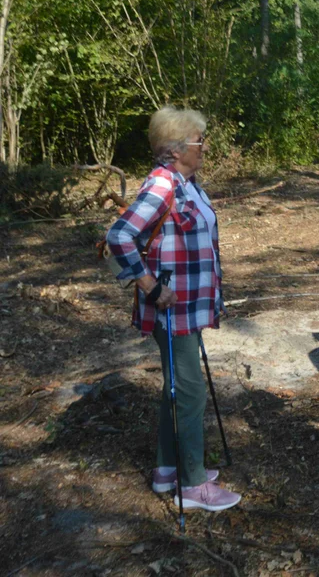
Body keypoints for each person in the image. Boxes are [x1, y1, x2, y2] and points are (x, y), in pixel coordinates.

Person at [106, 106, 241, 512]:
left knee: (176, 389)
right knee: (190, 391)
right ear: (175, 149)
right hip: (172, 310)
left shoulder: (187, 184)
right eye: (200, 142)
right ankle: (194, 484)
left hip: (189, 308)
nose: (205, 148)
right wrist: (148, 284)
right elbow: (119, 235)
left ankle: (168, 469)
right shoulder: (163, 185)